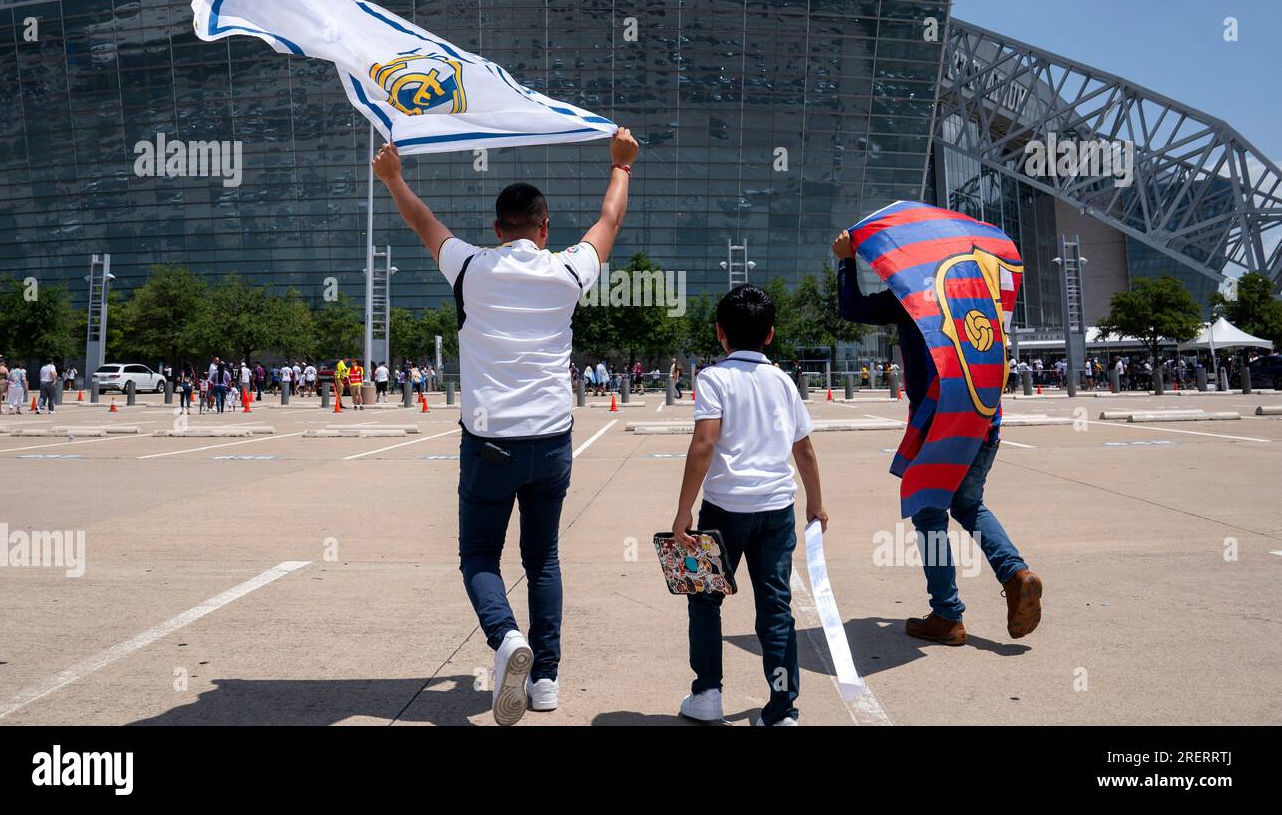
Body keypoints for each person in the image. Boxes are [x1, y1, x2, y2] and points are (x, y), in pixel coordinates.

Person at [372, 125, 636, 726]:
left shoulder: (469, 268)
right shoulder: (569, 271)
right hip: (551, 442)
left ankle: (505, 638)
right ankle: (545, 679)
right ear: (545, 229)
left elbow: (422, 222)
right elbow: (609, 223)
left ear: (497, 229)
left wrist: (393, 178)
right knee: (542, 560)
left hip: (488, 444)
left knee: (479, 559)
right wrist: (620, 165)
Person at [832, 229, 1042, 645]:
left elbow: (852, 307)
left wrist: (845, 260)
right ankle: (1015, 574)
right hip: (984, 416)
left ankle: (947, 614)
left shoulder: (914, 296)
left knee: (930, 514)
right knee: (968, 503)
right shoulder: (978, 292)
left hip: (939, 420)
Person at [671, 285, 826, 727]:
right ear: (771, 334)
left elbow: (704, 443)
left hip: (723, 510)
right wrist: (816, 503)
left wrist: (684, 510)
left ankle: (708, 694)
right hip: (777, 510)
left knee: (705, 599)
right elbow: (806, 451)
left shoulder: (713, 378)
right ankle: (781, 708)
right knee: (775, 608)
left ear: (720, 333)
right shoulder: (782, 380)